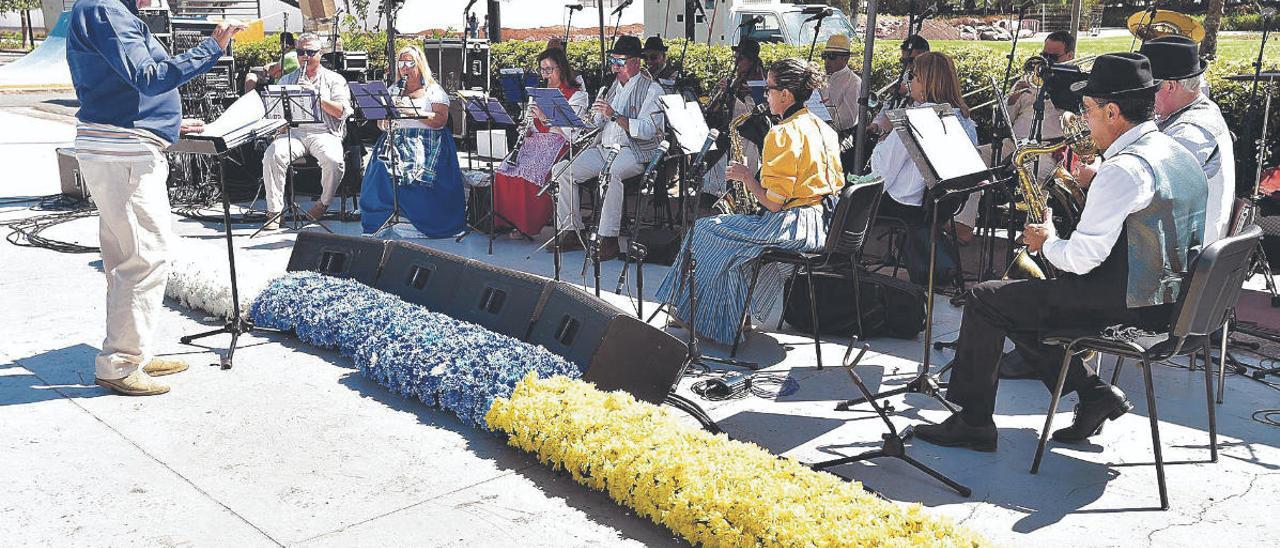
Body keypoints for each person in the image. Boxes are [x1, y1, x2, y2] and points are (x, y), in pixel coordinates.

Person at [913, 53, 1208, 452]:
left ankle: (972, 421)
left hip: (1131, 304)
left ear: (1113, 111)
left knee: (986, 298)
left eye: (1087, 110)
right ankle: (1093, 394)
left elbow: (1083, 258)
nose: (1084, 120)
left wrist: (1045, 240)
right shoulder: (1177, 153)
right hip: (1174, 301)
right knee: (1013, 304)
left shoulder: (1123, 169)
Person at [67, 0, 243, 395]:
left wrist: (166, 121)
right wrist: (212, 47)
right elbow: (148, 76)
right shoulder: (106, 9)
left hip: (120, 145)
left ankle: (133, 352)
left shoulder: (110, 10)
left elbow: (119, 85)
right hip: (123, 151)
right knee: (145, 257)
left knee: (126, 258)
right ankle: (121, 362)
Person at [655, 58, 843, 345]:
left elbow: (773, 204)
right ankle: (727, 317)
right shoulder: (823, 128)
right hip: (823, 224)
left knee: (705, 231)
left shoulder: (782, 134)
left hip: (791, 226)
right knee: (729, 242)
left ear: (785, 95)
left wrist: (746, 177)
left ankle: (709, 320)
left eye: (768, 88)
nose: (764, 94)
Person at [550, 35, 665, 261]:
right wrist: (587, 120)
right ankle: (571, 230)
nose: (615, 67)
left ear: (636, 62)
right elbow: (598, 125)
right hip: (604, 148)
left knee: (609, 173)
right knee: (562, 171)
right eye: (613, 61)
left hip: (633, 151)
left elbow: (648, 129)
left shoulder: (653, 90)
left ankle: (608, 239)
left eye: (620, 61)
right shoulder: (611, 87)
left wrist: (614, 115)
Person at [359, 46, 466, 238]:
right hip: (396, 137)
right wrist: (385, 121)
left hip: (426, 138)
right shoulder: (392, 89)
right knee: (382, 169)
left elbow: (440, 121)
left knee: (414, 170)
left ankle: (418, 222)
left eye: (410, 63)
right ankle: (384, 218)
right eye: (401, 63)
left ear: (419, 65)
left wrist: (411, 112)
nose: (405, 67)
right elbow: (380, 122)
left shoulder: (433, 90)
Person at [870, 51, 978, 230]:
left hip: (908, 205)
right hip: (945, 205)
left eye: (913, 76)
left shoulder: (917, 117)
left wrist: (882, 139)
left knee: (847, 195)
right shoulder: (963, 117)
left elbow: (884, 170)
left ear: (925, 81)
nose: (909, 81)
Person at [1142, 36, 1234, 245]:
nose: (1143, 96)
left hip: (1182, 259)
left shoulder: (1191, 132)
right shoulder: (1198, 110)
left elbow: (1143, 190)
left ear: (1171, 86)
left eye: (1148, 88)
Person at [260, 32, 353, 228]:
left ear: (320, 53)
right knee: (272, 154)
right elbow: (275, 113)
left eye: (310, 52)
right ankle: (274, 212)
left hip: (325, 131)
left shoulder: (334, 79)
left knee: (334, 161)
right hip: (295, 132)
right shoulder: (286, 79)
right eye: (301, 52)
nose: (305, 57)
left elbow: (341, 112)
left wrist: (316, 96)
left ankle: (323, 203)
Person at [493, 47, 589, 236]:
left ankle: (526, 226)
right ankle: (508, 222)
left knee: (528, 173)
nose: (545, 75)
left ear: (560, 68)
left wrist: (545, 119)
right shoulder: (538, 93)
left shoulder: (577, 95)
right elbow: (533, 125)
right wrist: (527, 129)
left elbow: (573, 131)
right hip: (535, 142)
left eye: (549, 69)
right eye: (542, 70)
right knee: (505, 170)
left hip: (558, 143)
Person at [703, 37, 766, 209]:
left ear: (751, 61)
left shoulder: (759, 81)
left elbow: (754, 112)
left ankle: (743, 203)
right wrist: (720, 94)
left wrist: (733, 93)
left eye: (741, 59)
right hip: (733, 132)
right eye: (736, 58)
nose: (737, 63)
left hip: (750, 135)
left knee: (743, 174)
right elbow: (718, 109)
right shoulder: (738, 79)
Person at [872, 34, 930, 136]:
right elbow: (888, 107)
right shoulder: (905, 77)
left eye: (911, 61)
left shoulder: (933, 81)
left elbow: (926, 110)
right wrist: (876, 125)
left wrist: (908, 93)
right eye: (903, 61)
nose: (907, 66)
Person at [817, 34, 862, 134]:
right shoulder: (821, 77)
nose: (827, 61)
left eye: (832, 56)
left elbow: (846, 121)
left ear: (845, 59)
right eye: (825, 56)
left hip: (842, 137)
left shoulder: (854, 82)